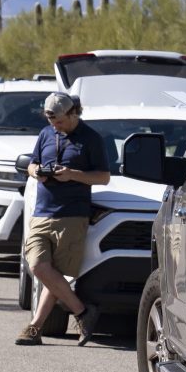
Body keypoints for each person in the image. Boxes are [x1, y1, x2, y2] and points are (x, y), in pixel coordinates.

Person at [15, 91, 110, 347]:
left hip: (72, 215)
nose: (55, 126)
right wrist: (37, 172)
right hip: (42, 211)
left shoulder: (91, 139)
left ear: (73, 113)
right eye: (51, 121)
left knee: (53, 274)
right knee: (37, 266)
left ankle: (35, 328)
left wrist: (72, 174)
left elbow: (103, 177)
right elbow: (31, 164)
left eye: (59, 121)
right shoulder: (46, 134)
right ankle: (82, 311)